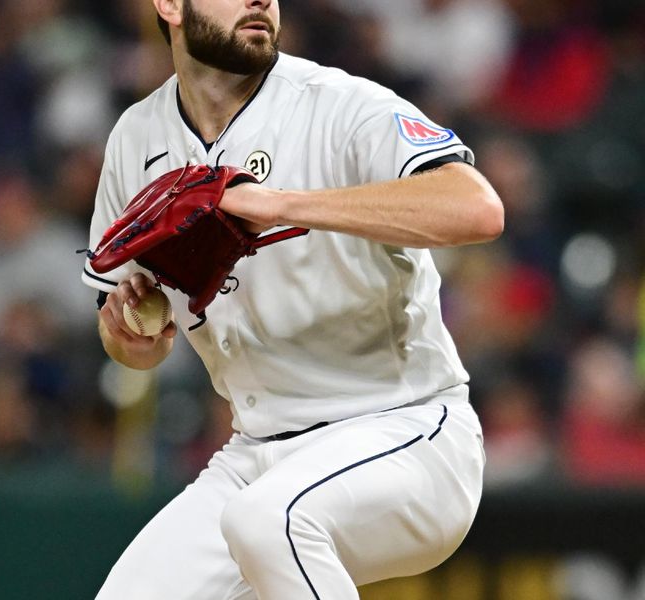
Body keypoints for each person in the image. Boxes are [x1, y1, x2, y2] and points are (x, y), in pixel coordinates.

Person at [81, 0, 504, 598]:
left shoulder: (341, 105)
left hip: (405, 431)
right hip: (257, 451)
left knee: (271, 524)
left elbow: (477, 208)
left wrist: (283, 204)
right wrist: (129, 334)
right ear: (170, 6)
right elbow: (124, 334)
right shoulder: (137, 138)